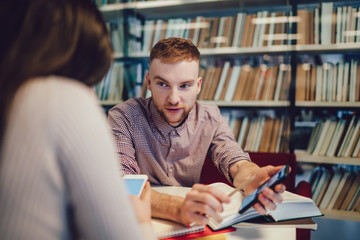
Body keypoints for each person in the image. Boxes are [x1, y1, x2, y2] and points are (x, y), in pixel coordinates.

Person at [0, 0, 156, 239]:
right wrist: (141, 219)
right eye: (89, 81)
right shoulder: (63, 99)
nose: (91, 94)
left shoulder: (13, 96)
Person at [108, 37, 286, 226]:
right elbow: (122, 183)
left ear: (198, 86)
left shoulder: (210, 117)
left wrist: (252, 177)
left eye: (185, 85)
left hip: (191, 220)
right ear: (148, 82)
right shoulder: (124, 116)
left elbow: (233, 158)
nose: (174, 99)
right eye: (162, 84)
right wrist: (176, 208)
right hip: (137, 221)